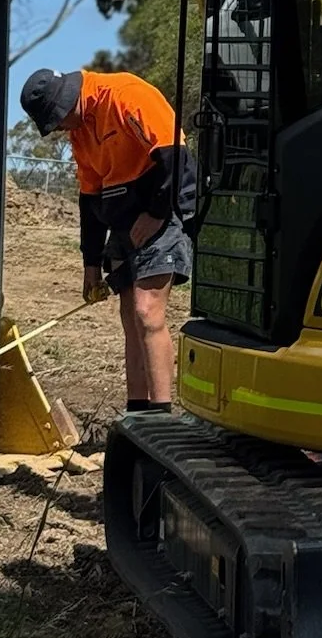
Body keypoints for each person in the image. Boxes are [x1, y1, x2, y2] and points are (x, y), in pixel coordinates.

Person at [20, 66, 196, 412]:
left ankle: (161, 415)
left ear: (67, 102)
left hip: (160, 212)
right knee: (131, 318)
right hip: (122, 222)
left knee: (148, 312)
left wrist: (157, 213)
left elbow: (176, 157)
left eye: (57, 120)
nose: (58, 129)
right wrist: (90, 264)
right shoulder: (81, 130)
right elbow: (90, 199)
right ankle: (138, 412)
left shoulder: (127, 95)